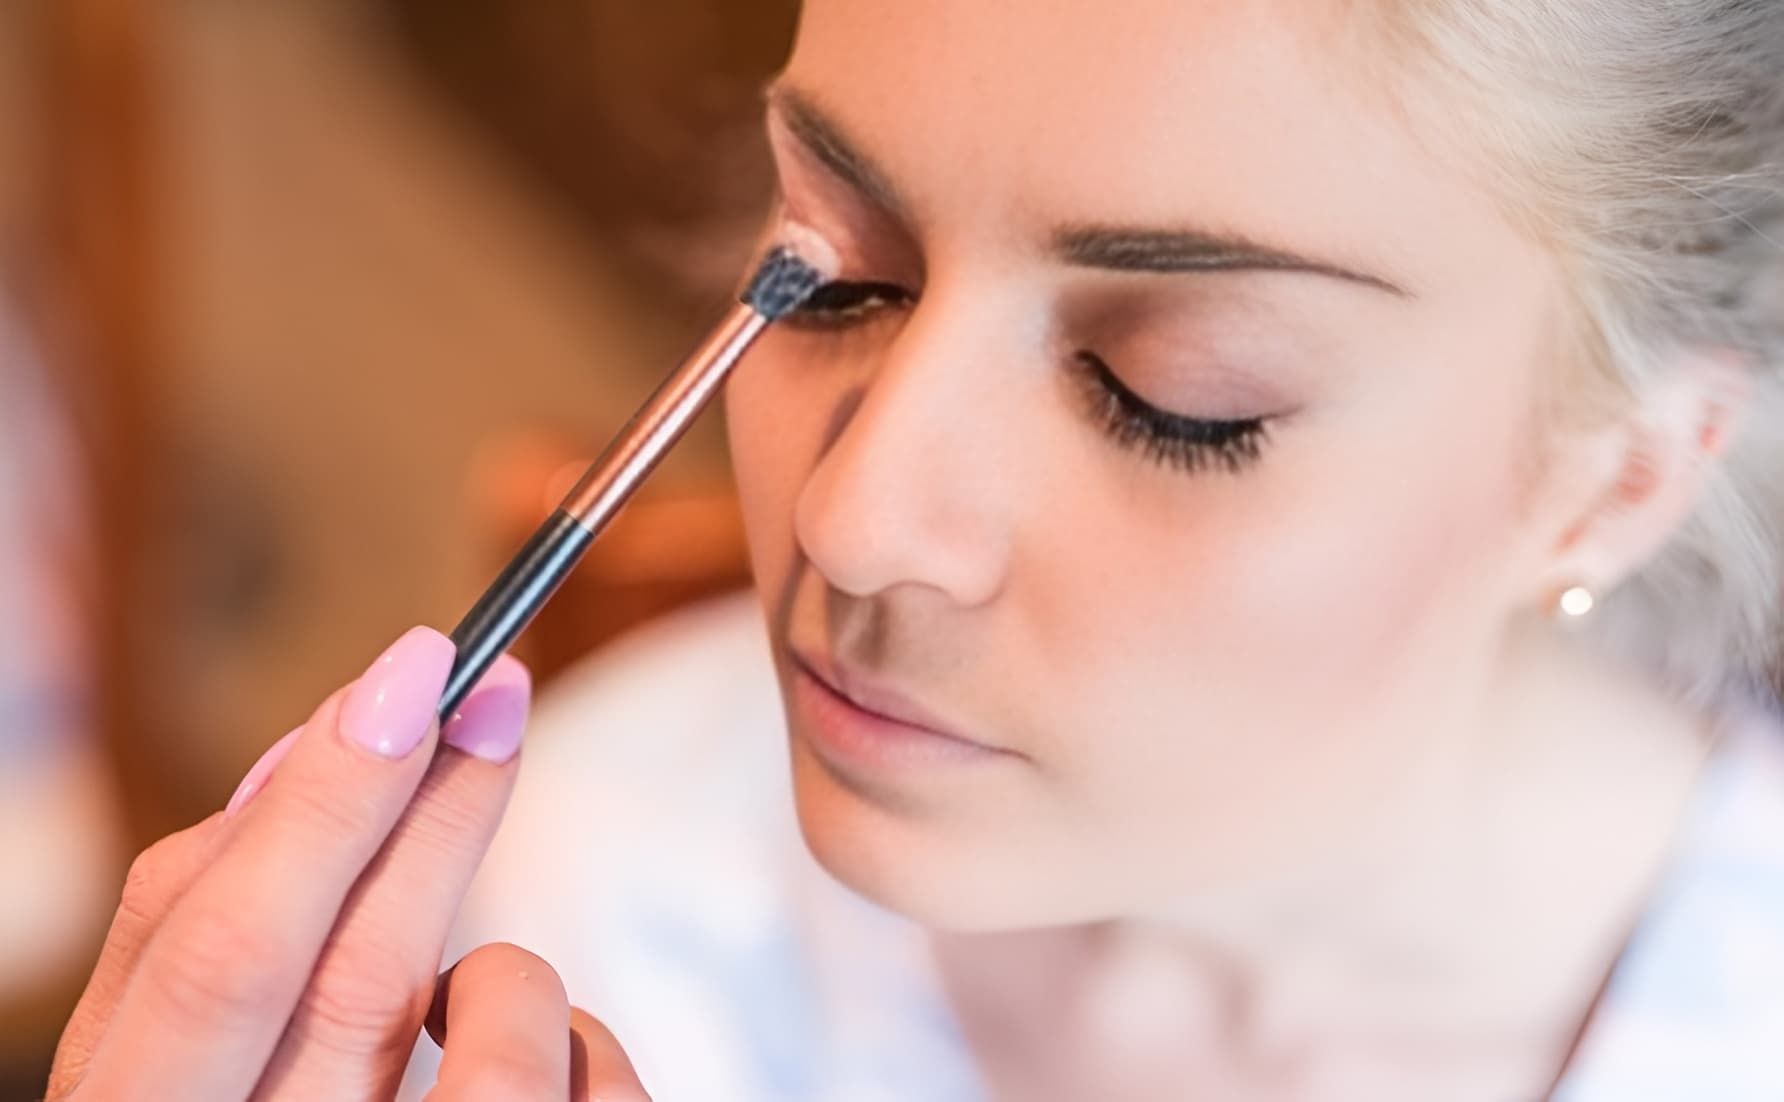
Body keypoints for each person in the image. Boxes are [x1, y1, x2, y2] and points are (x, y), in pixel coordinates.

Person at [57, 1, 1784, 1099]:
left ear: (1618, 478)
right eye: (835, 265)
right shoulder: (578, 922)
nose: (851, 517)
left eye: (1165, 398)